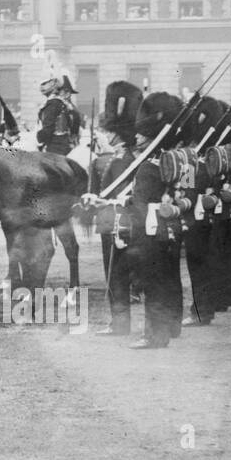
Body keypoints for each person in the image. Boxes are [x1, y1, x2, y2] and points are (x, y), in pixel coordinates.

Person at [86, 80, 141, 335]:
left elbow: (117, 196)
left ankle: (119, 324)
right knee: (117, 275)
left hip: (115, 223)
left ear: (117, 132)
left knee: (115, 276)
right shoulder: (125, 157)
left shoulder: (121, 160)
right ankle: (119, 322)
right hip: (118, 221)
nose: (105, 135)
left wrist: (96, 201)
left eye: (108, 131)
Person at [127, 110, 183, 348]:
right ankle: (170, 327)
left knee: (153, 283)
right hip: (167, 227)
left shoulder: (147, 168)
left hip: (150, 229)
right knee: (167, 279)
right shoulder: (172, 162)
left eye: (142, 135)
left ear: (151, 139)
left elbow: (139, 203)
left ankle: (154, 335)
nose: (137, 139)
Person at [38, 72, 81, 155]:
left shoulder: (53, 104)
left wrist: (37, 139)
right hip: (67, 146)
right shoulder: (67, 106)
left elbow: (48, 130)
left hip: (54, 148)